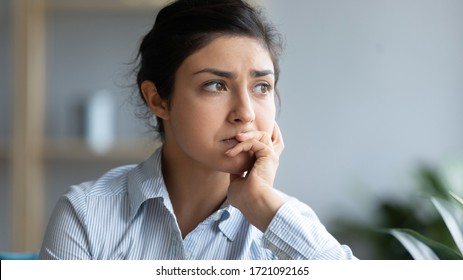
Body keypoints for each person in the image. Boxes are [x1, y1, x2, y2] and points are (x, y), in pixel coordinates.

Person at [39, 0, 356, 260]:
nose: (245, 113)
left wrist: (259, 203)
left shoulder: (284, 222)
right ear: (158, 99)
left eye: (261, 86)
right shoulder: (87, 214)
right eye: (216, 85)